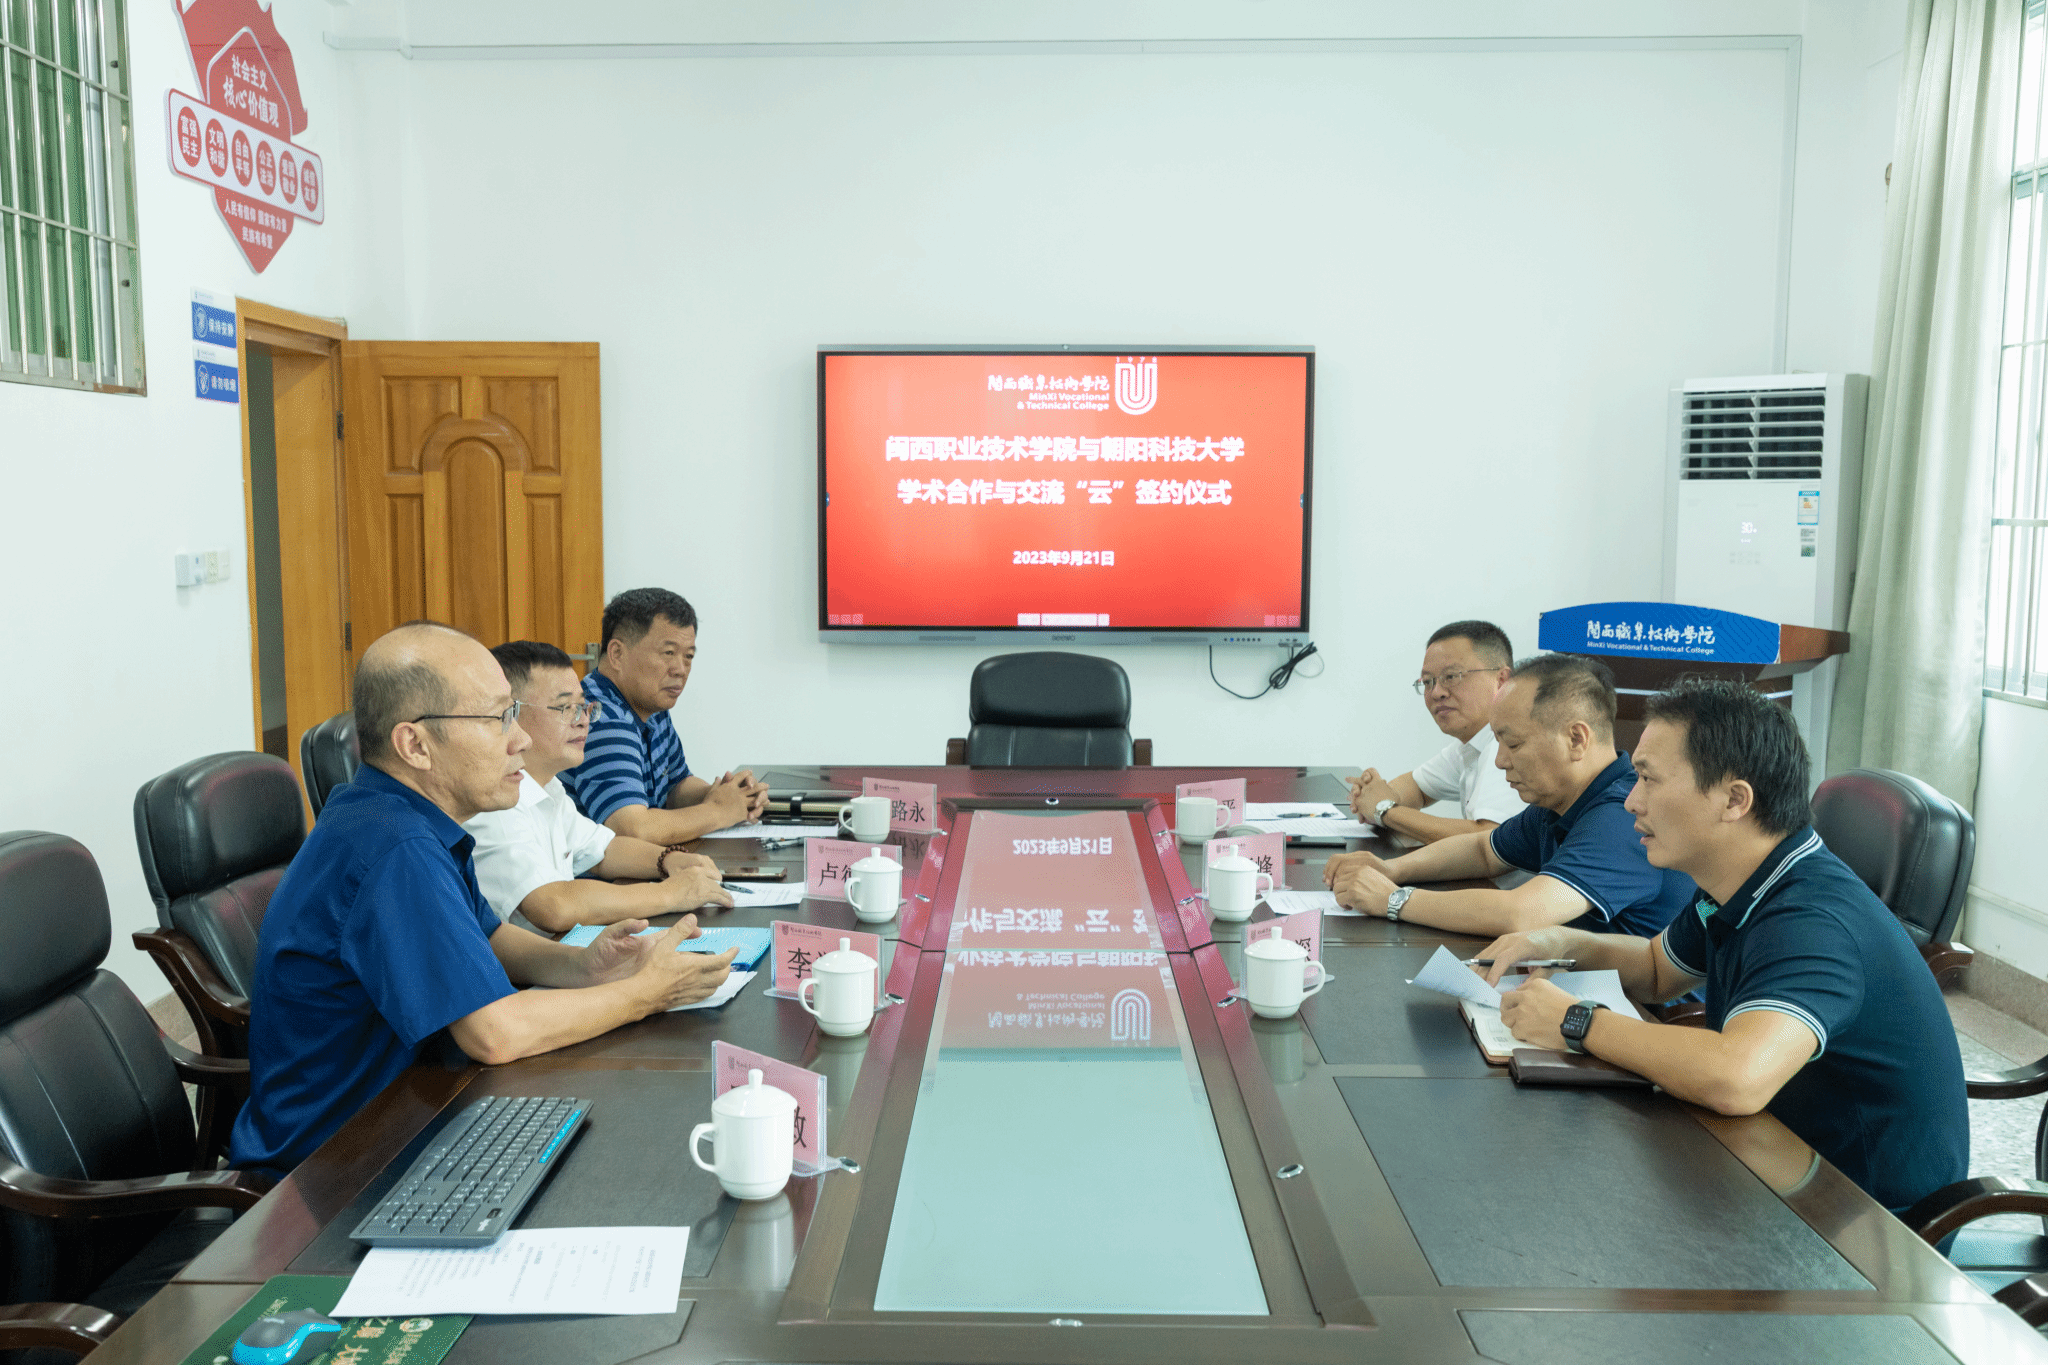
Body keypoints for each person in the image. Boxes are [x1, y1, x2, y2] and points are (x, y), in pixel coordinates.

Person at [230, 622, 738, 1176]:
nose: (520, 739)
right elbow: (495, 1035)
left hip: (418, 1107)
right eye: (498, 719)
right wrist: (648, 993)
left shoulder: (412, 816)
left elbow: (490, 938)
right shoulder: (394, 847)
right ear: (415, 745)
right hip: (335, 1168)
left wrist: (588, 966)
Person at [1476, 678, 1968, 1213]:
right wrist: (1556, 940)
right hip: (1769, 1157)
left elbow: (1737, 1077)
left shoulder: (1812, 922)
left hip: (1857, 1219)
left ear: (1734, 800)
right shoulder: (1741, 879)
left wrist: (1577, 1021)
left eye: (1649, 779)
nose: (1632, 801)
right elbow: (1657, 969)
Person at [1324, 653, 1694, 939]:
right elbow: (1483, 851)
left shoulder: (1622, 815)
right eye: (1498, 742)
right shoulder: (1559, 802)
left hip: (1640, 1007)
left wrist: (1392, 899)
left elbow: (1521, 913)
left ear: (1576, 739)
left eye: (1513, 744)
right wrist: (1391, 869)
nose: (1500, 761)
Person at [464, 640, 735, 932]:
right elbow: (553, 905)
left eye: (583, 707)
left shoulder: (548, 787)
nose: (583, 721)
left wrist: (670, 860)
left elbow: (603, 849)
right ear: (511, 713)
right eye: (565, 707)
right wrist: (671, 894)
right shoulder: (493, 802)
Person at [560, 588, 770, 843]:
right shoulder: (599, 716)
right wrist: (718, 811)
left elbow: (675, 786)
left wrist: (728, 795)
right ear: (617, 654)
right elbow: (633, 829)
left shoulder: (649, 704)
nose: (680, 669)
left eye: (688, 656)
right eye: (668, 653)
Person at [1346, 619, 1524, 844]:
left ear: (1501, 680)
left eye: (1452, 677)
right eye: (1428, 681)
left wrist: (1384, 809)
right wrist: (1372, 795)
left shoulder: (1510, 743)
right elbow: (1417, 788)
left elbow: (1490, 840)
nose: (1437, 692)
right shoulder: (1471, 744)